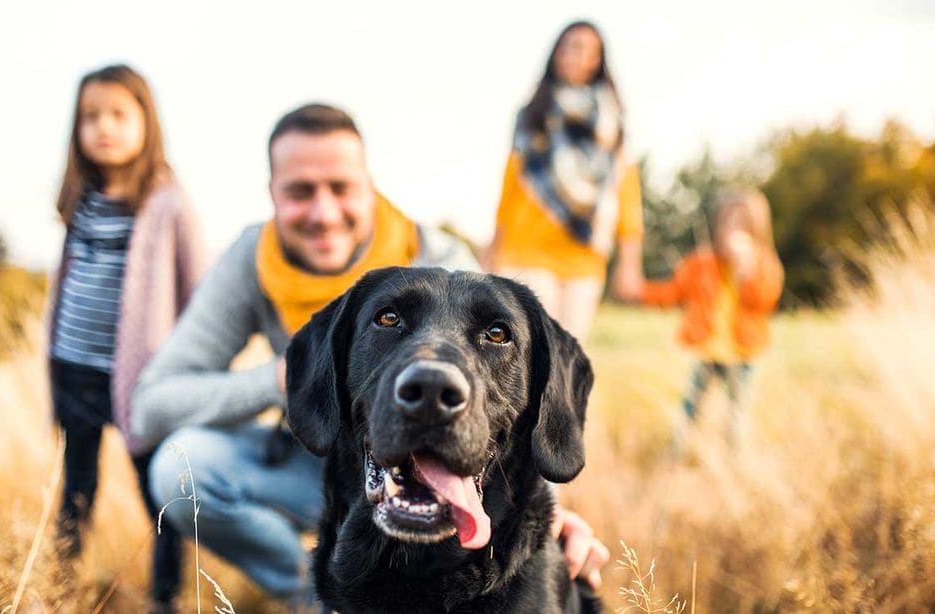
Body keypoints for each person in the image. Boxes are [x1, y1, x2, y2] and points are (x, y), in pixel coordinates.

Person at [131, 104, 610, 610]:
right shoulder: (252, 260)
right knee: (181, 465)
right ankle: (313, 593)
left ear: (369, 186)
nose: (323, 212)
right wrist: (292, 378)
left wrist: (549, 516)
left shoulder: (442, 260)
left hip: (452, 458)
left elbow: (507, 396)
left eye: (340, 188)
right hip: (324, 450)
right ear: (272, 194)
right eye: (300, 191)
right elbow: (152, 404)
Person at [46, 64, 208, 612]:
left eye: (119, 114)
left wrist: (190, 369)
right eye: (91, 117)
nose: (104, 127)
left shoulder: (168, 201)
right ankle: (61, 586)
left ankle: (167, 597)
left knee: (160, 492)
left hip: (143, 381)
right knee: (76, 490)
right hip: (73, 368)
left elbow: (201, 294)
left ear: (146, 121)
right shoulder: (80, 198)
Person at [487, 20, 644, 342]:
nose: (575, 55)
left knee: (567, 355)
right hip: (526, 249)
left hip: (584, 257)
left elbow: (626, 193)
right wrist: (493, 248)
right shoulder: (533, 114)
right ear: (556, 53)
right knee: (527, 348)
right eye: (569, 45)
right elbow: (511, 186)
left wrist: (630, 261)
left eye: (587, 49)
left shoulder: (613, 124)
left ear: (598, 61)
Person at [638, 188, 784, 446]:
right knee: (690, 406)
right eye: (728, 222)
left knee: (737, 411)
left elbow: (764, 300)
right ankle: (676, 450)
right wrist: (640, 291)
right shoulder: (701, 263)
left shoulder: (764, 265)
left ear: (757, 228)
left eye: (742, 223)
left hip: (742, 354)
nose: (733, 230)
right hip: (708, 350)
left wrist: (746, 271)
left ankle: (734, 456)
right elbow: (673, 292)